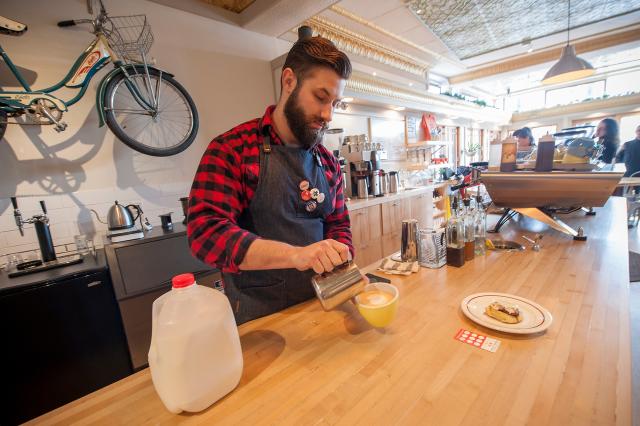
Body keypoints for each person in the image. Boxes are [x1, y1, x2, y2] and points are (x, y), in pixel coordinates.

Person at [187, 32, 354, 325]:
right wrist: (295, 255)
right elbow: (205, 233)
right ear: (289, 81)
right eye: (320, 97)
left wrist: (341, 257)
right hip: (259, 320)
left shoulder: (327, 162)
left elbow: (338, 224)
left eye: (336, 104)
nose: (328, 115)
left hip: (320, 307)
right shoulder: (232, 150)